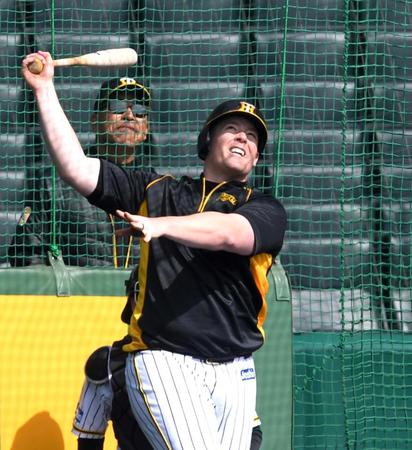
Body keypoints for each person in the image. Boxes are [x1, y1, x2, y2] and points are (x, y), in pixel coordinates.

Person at [22, 50, 287, 450]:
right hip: (167, 359)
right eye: (232, 129)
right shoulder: (155, 189)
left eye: (252, 137)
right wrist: (45, 91)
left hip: (235, 370)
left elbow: (232, 234)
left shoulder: (265, 209)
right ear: (207, 141)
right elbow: (76, 168)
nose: (243, 138)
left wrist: (161, 227)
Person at [8, 75, 151, 268]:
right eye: (117, 107)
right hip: (81, 297)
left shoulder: (158, 187)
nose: (129, 115)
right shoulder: (55, 182)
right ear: (94, 121)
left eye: (140, 111)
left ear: (146, 130)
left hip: (140, 297)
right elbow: (25, 253)